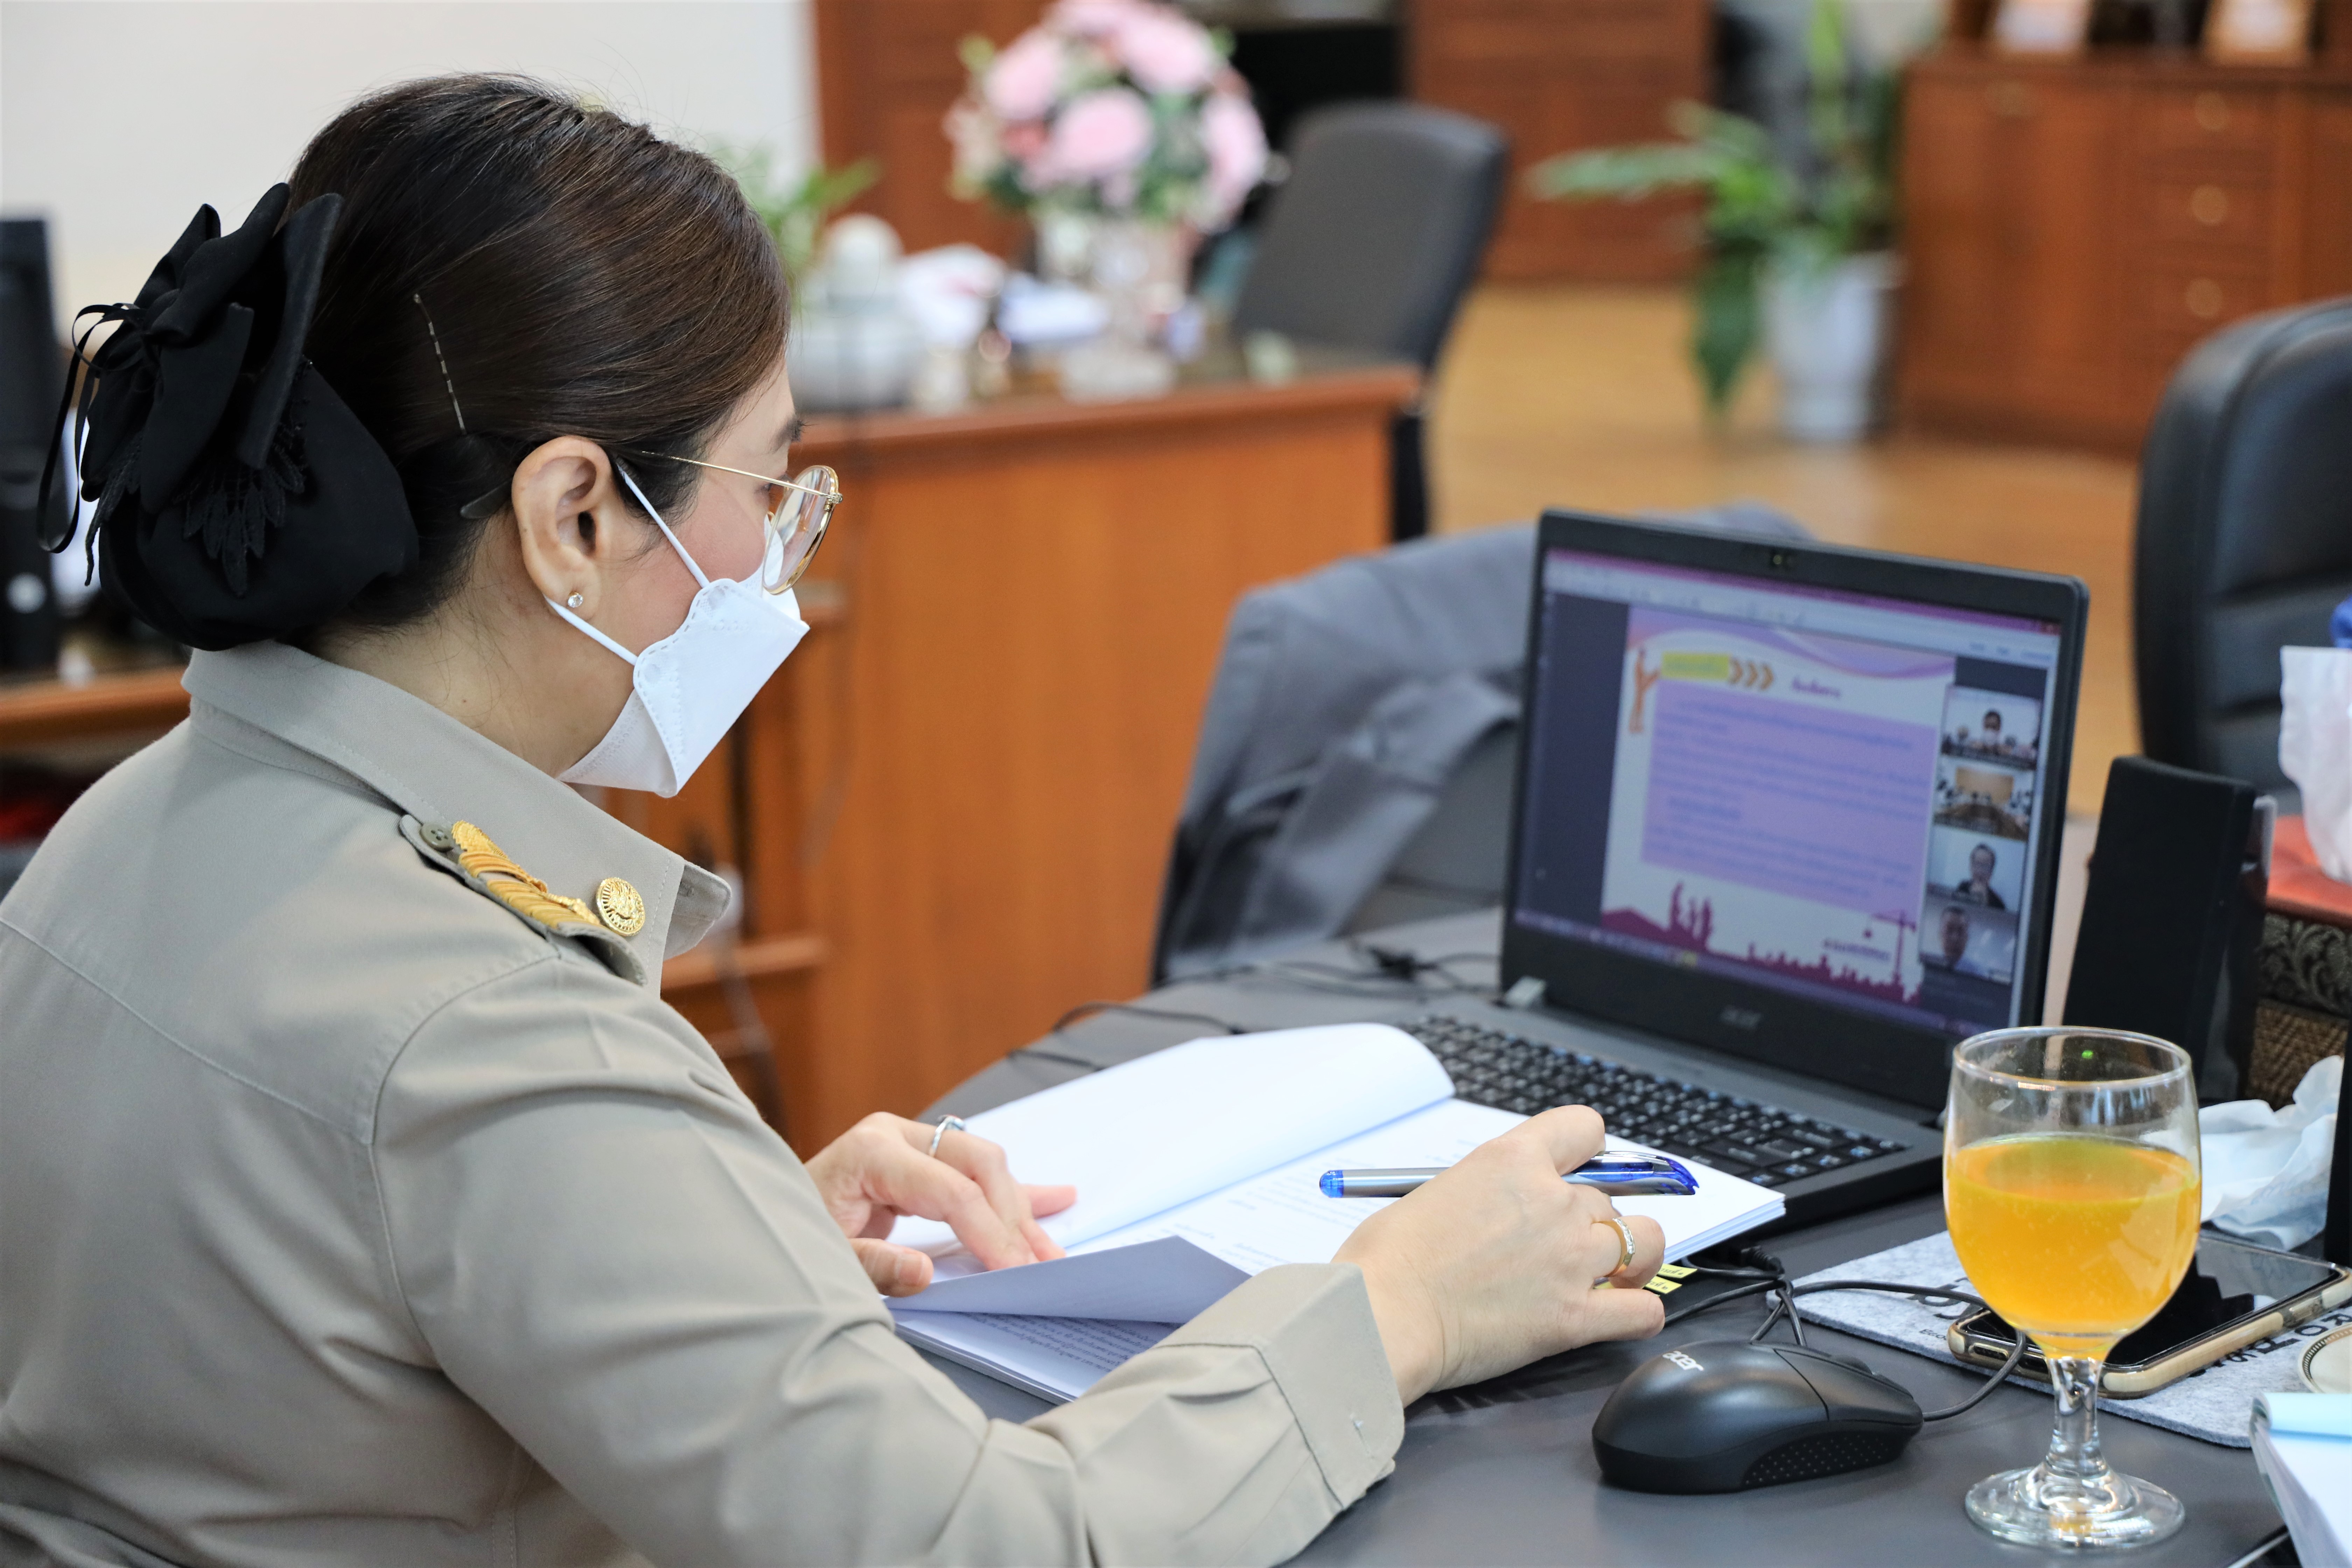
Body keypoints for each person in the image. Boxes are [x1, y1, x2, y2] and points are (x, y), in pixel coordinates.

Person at [0, 78, 1666, 1568]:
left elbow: (316, 1332)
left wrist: (705, 1242)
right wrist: (1398, 1305)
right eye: (770, 484)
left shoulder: (123, 826)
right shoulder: (484, 1032)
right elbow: (981, 1545)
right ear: (573, 513)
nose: (786, 549)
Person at [1954, 842, 2008, 909]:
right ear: (1971, 867)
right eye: (1977, 864)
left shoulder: (1999, 904)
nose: (1980, 871)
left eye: (1986, 866)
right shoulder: (1962, 888)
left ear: (1992, 871)